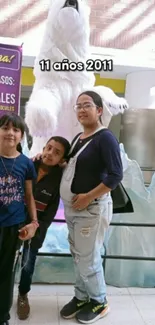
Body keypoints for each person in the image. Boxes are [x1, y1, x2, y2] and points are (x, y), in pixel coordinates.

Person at [59, 91, 123, 324]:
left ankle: (99, 300)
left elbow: (116, 175)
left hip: (92, 208)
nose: (82, 109)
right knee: (78, 255)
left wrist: (87, 196)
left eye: (87, 105)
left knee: (88, 257)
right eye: (78, 106)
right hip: (74, 209)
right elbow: (72, 165)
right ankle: (82, 296)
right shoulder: (79, 138)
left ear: (99, 110)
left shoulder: (105, 138)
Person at [17, 136, 71, 320]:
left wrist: (37, 230)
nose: (50, 154)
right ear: (43, 147)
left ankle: (23, 295)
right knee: (5, 259)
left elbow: (50, 212)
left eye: (57, 153)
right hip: (12, 224)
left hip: (36, 228)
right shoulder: (27, 165)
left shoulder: (59, 178)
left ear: (62, 159)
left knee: (27, 264)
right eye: (49, 148)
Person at [0, 113, 39, 325]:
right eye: (5, 128)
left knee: (7, 274)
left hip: (14, 226)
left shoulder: (25, 163)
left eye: (15, 130)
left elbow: (29, 196)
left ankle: (2, 316)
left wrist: (33, 222)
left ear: (21, 135)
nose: (10, 133)